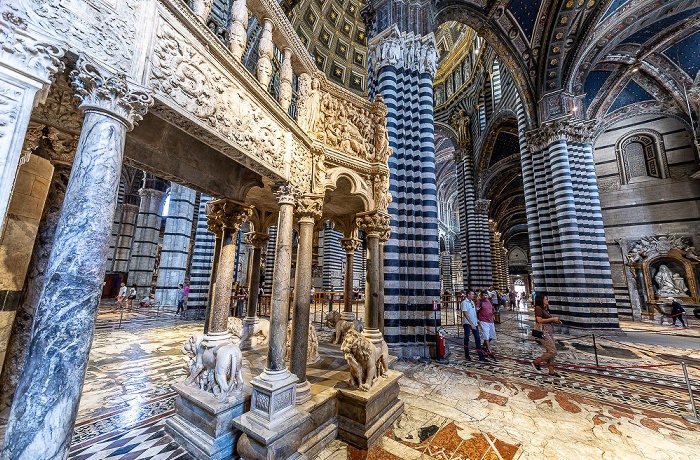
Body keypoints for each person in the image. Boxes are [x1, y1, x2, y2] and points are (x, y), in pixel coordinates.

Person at [532, 293, 562, 376]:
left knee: (551, 351)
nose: (547, 300)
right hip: (543, 332)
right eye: (546, 299)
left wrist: (555, 321)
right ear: (541, 300)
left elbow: (547, 319)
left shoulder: (544, 309)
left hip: (549, 332)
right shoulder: (538, 308)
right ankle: (536, 362)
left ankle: (551, 372)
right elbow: (539, 320)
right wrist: (552, 319)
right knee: (552, 351)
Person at [461, 290, 486, 362]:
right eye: (472, 294)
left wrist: (475, 321)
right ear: (468, 295)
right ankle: (467, 355)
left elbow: (473, 312)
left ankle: (481, 356)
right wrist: (471, 323)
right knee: (467, 339)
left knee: (478, 339)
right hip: (467, 324)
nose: (473, 296)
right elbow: (465, 314)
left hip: (474, 323)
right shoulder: (464, 303)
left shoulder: (472, 302)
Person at [476, 291, 497, 360]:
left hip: (491, 321)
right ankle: (489, 351)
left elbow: (493, 309)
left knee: (491, 336)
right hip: (483, 321)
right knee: (486, 336)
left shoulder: (490, 302)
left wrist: (495, 313)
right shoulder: (479, 302)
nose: (485, 297)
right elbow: (476, 309)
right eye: (484, 295)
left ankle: (484, 346)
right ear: (481, 296)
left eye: (486, 295)